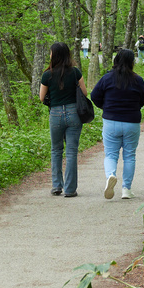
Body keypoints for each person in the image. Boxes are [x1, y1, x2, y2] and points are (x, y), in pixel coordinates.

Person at [90, 49, 144, 200]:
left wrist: (106, 107)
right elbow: (143, 99)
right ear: (132, 62)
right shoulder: (138, 80)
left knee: (110, 154)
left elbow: (94, 96)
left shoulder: (107, 78)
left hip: (111, 121)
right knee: (129, 156)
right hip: (132, 122)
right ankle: (126, 189)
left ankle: (110, 175)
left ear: (116, 60)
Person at [39, 42, 88, 197]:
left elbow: (41, 97)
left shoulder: (47, 75)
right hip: (74, 112)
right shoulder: (75, 72)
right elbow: (84, 93)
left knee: (56, 150)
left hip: (55, 114)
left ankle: (56, 186)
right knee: (71, 151)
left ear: (54, 55)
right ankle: (70, 189)